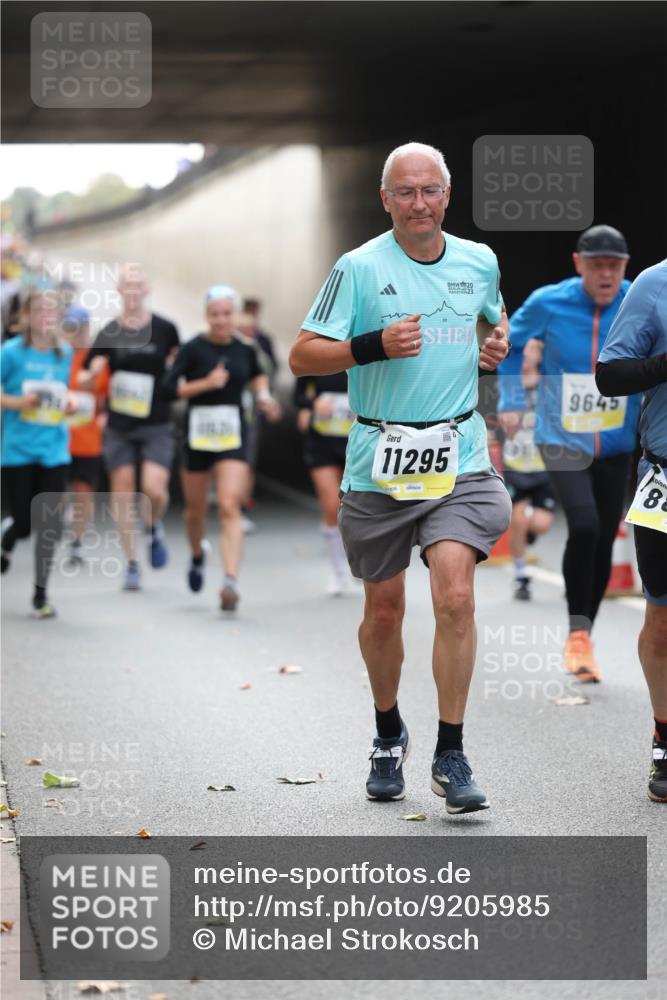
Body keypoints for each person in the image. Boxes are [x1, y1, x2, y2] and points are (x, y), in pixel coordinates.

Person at [289, 142, 511, 814]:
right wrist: (370, 345)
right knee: (384, 612)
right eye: (404, 192)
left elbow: (490, 322)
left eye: (430, 190)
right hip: (378, 458)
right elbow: (301, 357)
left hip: (457, 455)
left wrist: (492, 347)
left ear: (448, 195)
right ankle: (388, 733)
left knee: (454, 597)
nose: (419, 203)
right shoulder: (357, 268)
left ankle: (451, 750)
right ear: (384, 199)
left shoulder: (479, 261)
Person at [497, 225, 640, 682]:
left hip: (617, 442)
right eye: (596, 266)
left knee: (601, 539)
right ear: (578, 263)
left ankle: (583, 636)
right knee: (583, 524)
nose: (605, 275)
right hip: (561, 438)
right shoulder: (549, 301)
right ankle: (577, 634)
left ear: (625, 266)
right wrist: (512, 401)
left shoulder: (638, 300)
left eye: (613, 267)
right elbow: (510, 346)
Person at [596, 258, 667, 802]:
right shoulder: (654, 283)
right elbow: (610, 373)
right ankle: (665, 736)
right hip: (666, 474)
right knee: (662, 619)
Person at [163, 285, 281, 611]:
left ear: (234, 315)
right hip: (198, 436)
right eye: (215, 314)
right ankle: (198, 554)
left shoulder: (245, 349)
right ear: (207, 316)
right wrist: (205, 384)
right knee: (195, 510)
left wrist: (264, 397)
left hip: (232, 434)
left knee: (230, 505)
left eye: (227, 314)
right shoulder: (192, 349)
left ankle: (230, 581)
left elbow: (257, 377)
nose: (221, 320)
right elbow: (169, 389)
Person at [78, 266, 179, 591]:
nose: (133, 290)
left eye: (138, 284)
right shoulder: (108, 332)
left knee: (154, 490)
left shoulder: (165, 329)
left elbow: (179, 365)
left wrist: (176, 373)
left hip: (156, 421)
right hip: (120, 423)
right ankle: (132, 563)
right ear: (119, 291)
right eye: (127, 285)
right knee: (122, 491)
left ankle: (153, 526)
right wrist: (92, 375)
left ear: (146, 290)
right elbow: (84, 375)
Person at [0, 292, 74, 617]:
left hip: (54, 448)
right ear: (27, 316)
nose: (45, 316)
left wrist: (70, 404)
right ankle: (10, 534)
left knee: (49, 524)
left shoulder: (65, 353)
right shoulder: (11, 353)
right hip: (18, 449)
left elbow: (62, 393)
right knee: (26, 522)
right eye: (39, 310)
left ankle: (40, 595)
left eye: (51, 310)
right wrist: (18, 403)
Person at [502, 339, 555, 600]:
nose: (525, 355)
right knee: (518, 518)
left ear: (539, 356)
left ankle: (526, 531)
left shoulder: (549, 385)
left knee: (542, 524)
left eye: (532, 350)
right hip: (515, 465)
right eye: (522, 350)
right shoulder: (507, 385)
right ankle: (521, 575)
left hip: (543, 465)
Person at [294, 370, 356, 595]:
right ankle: (337, 572)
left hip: (358, 441)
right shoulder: (318, 351)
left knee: (358, 506)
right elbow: (298, 395)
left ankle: (358, 559)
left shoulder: (365, 348)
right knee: (331, 506)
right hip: (322, 441)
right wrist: (312, 404)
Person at [64, 304, 110, 565]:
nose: (75, 334)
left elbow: (110, 396)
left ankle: (77, 543)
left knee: (83, 491)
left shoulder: (99, 361)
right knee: (55, 492)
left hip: (88, 439)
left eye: (79, 329)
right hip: (58, 438)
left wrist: (107, 415)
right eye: (70, 328)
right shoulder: (58, 357)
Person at [237, 299, 280, 529]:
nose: (246, 335)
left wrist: (268, 400)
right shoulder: (224, 347)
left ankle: (241, 506)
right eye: (242, 331)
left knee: (246, 462)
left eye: (250, 331)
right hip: (225, 415)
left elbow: (269, 371)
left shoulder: (258, 349)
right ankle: (230, 501)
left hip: (249, 415)